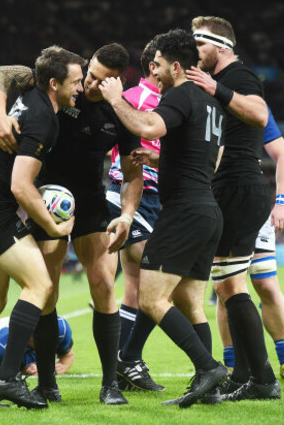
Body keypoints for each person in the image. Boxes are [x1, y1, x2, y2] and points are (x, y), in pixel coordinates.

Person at [0, 43, 143, 405]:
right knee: (47, 289)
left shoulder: (121, 112)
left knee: (104, 283)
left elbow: (134, 173)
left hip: (90, 204)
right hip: (48, 201)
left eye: (100, 81)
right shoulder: (62, 84)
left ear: (116, 82)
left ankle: (110, 385)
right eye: (89, 74)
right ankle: (46, 384)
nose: (88, 84)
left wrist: (127, 214)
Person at [99, 28, 229, 408]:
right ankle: (210, 389)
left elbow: (146, 126)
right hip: (208, 211)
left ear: (176, 66)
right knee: (191, 303)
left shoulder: (181, 95)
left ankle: (208, 369)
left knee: (152, 299)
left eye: (156, 65)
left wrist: (115, 100)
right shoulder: (212, 104)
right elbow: (210, 160)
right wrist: (158, 160)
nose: (152, 72)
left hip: (183, 212)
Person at [0, 46, 84, 410]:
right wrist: (54, 230)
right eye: (76, 82)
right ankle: (7, 378)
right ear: (54, 83)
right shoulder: (44, 118)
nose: (81, 89)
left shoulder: (30, 91)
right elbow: (21, 187)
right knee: (39, 285)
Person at [187, 15, 281, 401]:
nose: (196, 56)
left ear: (220, 46)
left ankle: (262, 380)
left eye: (200, 47)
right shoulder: (225, 81)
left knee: (230, 286)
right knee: (228, 287)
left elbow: (259, 114)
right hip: (234, 188)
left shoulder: (239, 78)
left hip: (240, 189)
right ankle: (246, 375)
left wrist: (215, 89)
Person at [217, 107, 284, 381]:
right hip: (219, 203)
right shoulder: (202, 100)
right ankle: (232, 363)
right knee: (227, 288)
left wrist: (282, 202)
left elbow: (283, 156)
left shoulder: (251, 105)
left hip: (252, 202)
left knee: (266, 284)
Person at [106, 36, 165, 392]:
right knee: (155, 286)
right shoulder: (138, 98)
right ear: (153, 67)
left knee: (138, 286)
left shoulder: (165, 99)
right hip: (136, 193)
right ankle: (127, 359)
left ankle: (124, 362)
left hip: (154, 197)